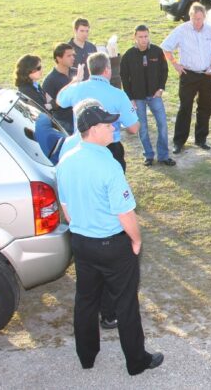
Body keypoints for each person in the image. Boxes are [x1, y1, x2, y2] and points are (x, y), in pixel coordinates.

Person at [56, 102, 163, 376]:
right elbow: (125, 212)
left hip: (81, 242)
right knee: (126, 303)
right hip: (112, 245)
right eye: (107, 125)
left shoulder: (66, 161)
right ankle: (136, 361)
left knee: (86, 299)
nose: (113, 128)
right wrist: (136, 241)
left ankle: (86, 355)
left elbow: (66, 208)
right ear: (92, 130)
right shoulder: (109, 164)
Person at [58, 52, 139, 172]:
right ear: (106, 70)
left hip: (82, 143)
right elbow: (133, 128)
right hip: (110, 147)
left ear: (90, 70)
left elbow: (59, 99)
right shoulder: (118, 94)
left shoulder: (76, 88)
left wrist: (75, 81)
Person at [161, 2, 211, 153]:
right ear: (190, 17)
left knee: (206, 106)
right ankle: (179, 142)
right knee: (185, 107)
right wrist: (175, 64)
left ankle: (201, 139)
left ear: (204, 17)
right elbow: (166, 48)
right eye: (194, 18)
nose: (197, 22)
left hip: (207, 75)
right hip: (188, 74)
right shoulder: (182, 30)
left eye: (200, 19)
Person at [120, 25, 175, 167]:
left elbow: (164, 70)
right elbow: (124, 78)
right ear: (135, 37)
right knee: (142, 127)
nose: (144, 40)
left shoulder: (157, 52)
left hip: (155, 95)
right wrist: (130, 98)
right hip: (137, 97)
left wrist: (161, 88)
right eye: (140, 37)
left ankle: (163, 155)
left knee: (162, 124)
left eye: (146, 36)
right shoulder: (128, 56)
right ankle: (148, 155)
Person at [43, 43, 77, 133]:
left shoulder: (76, 72)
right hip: (66, 124)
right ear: (58, 58)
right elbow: (49, 106)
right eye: (69, 56)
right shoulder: (50, 80)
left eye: (73, 55)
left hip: (81, 118)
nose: (72, 58)